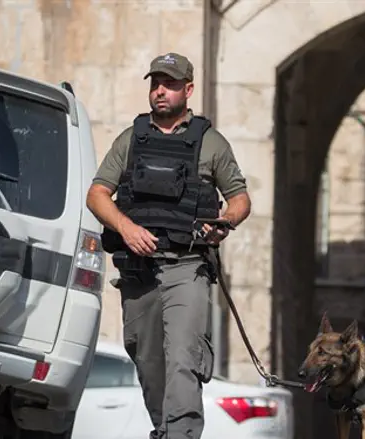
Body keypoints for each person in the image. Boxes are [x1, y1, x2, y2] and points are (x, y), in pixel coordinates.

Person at [85, 52, 251, 439]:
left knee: (181, 358)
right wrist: (126, 228)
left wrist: (225, 223)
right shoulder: (131, 139)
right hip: (138, 270)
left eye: (170, 84)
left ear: (188, 90)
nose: (160, 91)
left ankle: (181, 434)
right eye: (155, 83)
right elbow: (97, 195)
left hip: (186, 265)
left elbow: (240, 199)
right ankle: (164, 428)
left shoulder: (211, 144)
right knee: (145, 358)